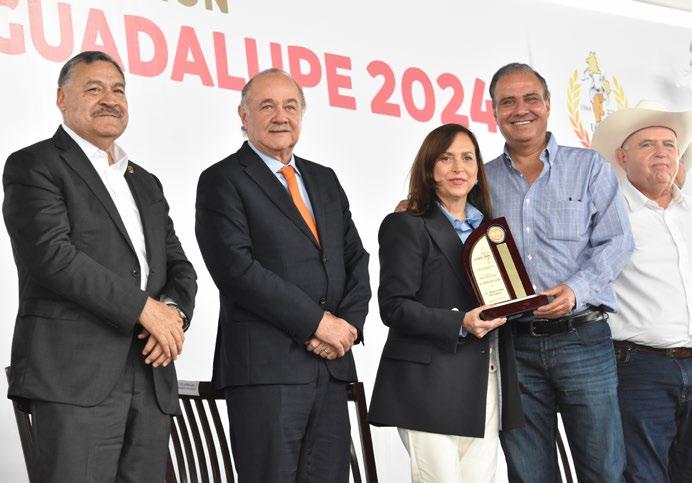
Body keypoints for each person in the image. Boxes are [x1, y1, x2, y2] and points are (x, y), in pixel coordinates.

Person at [3, 50, 197, 482]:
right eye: (94, 89)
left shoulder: (145, 182)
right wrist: (144, 309)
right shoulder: (34, 165)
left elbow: (179, 266)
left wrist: (172, 315)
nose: (110, 99)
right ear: (61, 99)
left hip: (151, 376)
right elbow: (53, 257)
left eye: (118, 90)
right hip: (73, 377)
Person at [195, 68, 371, 482]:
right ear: (243, 115)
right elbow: (236, 270)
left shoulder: (324, 179)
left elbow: (355, 258)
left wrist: (347, 326)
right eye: (267, 106)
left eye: (290, 106)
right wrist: (317, 323)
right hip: (266, 372)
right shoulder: (222, 179)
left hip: (331, 368)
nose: (280, 116)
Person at [484, 63, 634, 482]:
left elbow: (618, 241)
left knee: (604, 472)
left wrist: (575, 290)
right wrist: (414, 207)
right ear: (494, 112)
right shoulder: (481, 180)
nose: (521, 109)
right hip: (513, 347)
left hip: (582, 338)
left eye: (531, 98)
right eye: (508, 102)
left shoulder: (589, 167)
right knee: (530, 474)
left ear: (548, 105)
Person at [369, 123, 524, 482]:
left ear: (478, 171)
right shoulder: (406, 224)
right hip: (426, 385)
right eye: (446, 158)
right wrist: (460, 323)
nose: (458, 168)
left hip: (485, 382)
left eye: (467, 158)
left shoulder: (493, 232)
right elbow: (394, 306)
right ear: (430, 169)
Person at [591, 100, 692, 482]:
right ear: (623, 157)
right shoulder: (606, 213)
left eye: (669, 144)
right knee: (644, 476)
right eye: (647, 144)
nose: (661, 152)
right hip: (641, 367)